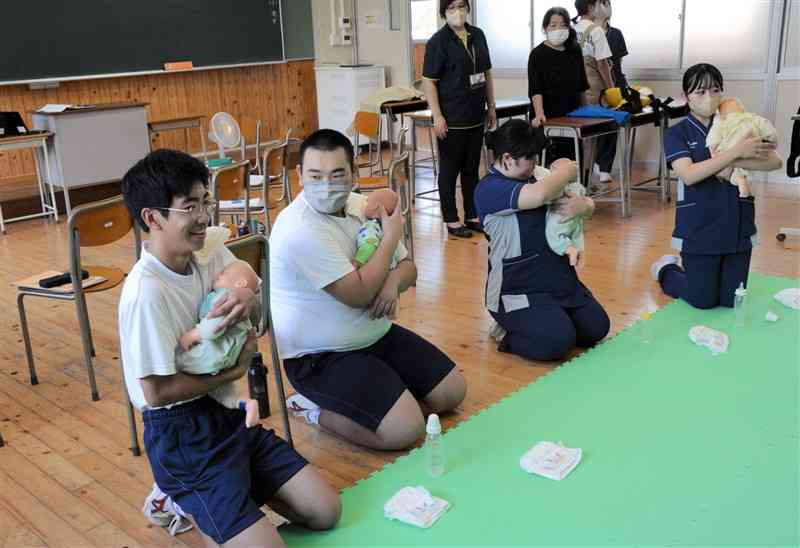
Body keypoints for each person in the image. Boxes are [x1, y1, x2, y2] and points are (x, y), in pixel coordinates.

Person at [119, 149, 340, 548]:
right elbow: (155, 393)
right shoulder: (145, 294)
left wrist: (249, 299)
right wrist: (233, 373)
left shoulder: (208, 251)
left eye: (205, 201)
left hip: (226, 416)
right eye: (189, 207)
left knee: (326, 511)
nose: (204, 216)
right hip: (181, 436)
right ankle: (178, 495)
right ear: (152, 218)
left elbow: (252, 301)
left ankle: (224, 496)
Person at [269, 129, 466, 450]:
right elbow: (358, 296)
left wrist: (391, 283)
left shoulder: (362, 205)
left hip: (375, 334)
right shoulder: (299, 229)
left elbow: (409, 269)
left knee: (452, 392)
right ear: (299, 175)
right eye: (315, 175)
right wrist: (390, 237)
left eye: (337, 174)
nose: (326, 185)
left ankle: (383, 399)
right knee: (405, 431)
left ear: (354, 173)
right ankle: (313, 409)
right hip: (321, 356)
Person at [475, 119, 610, 361]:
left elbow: (581, 201)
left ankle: (549, 317)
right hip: (516, 289)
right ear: (507, 159)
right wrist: (566, 171)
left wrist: (584, 205)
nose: (536, 163)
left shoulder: (540, 175)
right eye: (531, 158)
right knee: (557, 342)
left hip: (557, 279)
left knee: (597, 327)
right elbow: (540, 195)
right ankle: (508, 334)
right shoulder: (489, 189)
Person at [651, 63, 781, 309]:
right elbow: (688, 175)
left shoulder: (737, 123)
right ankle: (666, 269)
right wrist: (736, 153)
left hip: (738, 225)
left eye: (715, 90)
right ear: (685, 97)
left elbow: (775, 162)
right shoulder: (676, 133)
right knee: (702, 300)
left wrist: (736, 155)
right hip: (700, 227)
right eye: (700, 92)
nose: (709, 98)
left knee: (733, 301)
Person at [423, 0, 497, 238]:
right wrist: (437, 115)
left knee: (471, 169)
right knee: (449, 170)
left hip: (475, 113)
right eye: (452, 8)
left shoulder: (478, 35)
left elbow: (486, 73)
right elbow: (429, 81)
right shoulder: (438, 41)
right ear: (444, 12)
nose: (458, 12)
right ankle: (452, 220)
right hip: (451, 117)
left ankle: (473, 215)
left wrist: (491, 105)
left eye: (462, 6)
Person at [177, 259, 261, 428]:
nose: (217, 275)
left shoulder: (225, 297)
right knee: (222, 391)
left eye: (223, 274)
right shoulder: (239, 302)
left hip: (214, 352)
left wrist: (194, 334)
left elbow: (214, 327)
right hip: (230, 354)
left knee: (179, 362)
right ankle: (245, 403)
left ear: (240, 283)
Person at [528, 7, 588, 165]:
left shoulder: (574, 51)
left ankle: (575, 187)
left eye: (562, 25)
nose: (558, 29)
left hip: (573, 114)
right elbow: (535, 89)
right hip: (549, 115)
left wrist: (586, 112)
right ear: (545, 28)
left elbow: (581, 84)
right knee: (551, 163)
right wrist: (539, 113)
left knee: (573, 161)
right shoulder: (537, 54)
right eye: (553, 25)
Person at [595, 2, 627, 185]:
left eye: (607, 3)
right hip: (594, 86)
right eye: (601, 3)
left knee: (612, 125)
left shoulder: (616, 34)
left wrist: (617, 86)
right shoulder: (585, 33)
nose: (604, 7)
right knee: (594, 126)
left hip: (615, 84)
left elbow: (618, 62)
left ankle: (605, 167)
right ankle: (593, 163)